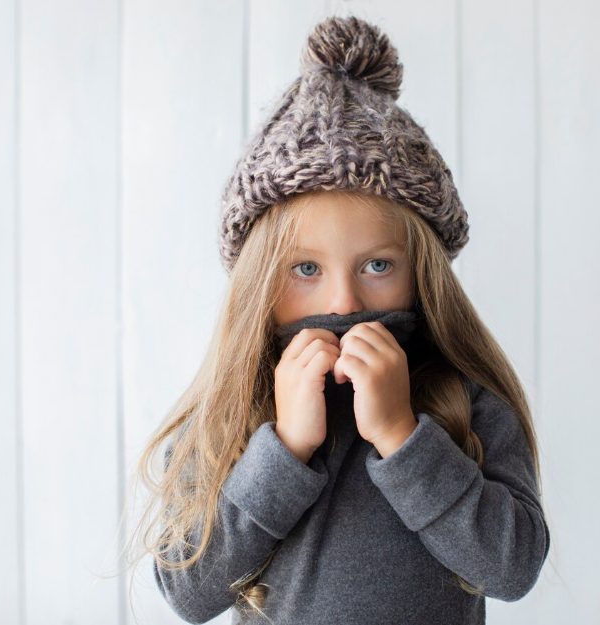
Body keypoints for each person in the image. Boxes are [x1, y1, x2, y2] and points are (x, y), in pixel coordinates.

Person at [124, 15, 549, 624]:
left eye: (377, 264)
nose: (344, 302)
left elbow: (513, 569)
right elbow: (186, 591)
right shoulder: (230, 410)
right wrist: (285, 451)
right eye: (306, 269)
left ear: (421, 270)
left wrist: (402, 436)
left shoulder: (465, 400)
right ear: (259, 283)